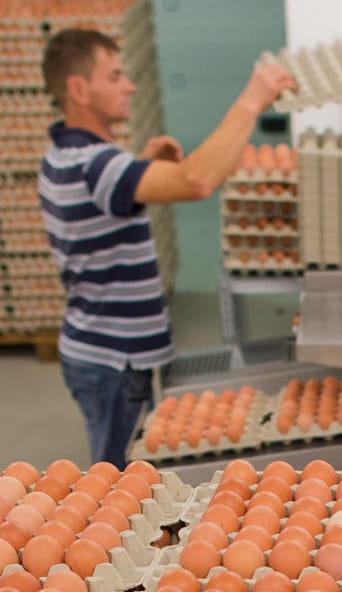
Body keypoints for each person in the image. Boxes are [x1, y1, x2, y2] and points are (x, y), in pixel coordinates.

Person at [39, 30, 295, 466]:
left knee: (126, 471)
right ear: (79, 89)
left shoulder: (68, 156)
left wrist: (142, 162)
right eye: (115, 76)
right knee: (118, 485)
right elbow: (196, 181)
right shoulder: (95, 165)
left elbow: (105, 203)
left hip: (102, 350)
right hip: (112, 358)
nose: (130, 85)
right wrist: (251, 101)